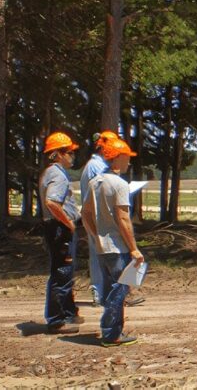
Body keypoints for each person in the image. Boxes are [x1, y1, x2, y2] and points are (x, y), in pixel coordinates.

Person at [81, 137, 143, 346]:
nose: (128, 161)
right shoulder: (119, 184)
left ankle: (112, 331)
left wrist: (94, 234)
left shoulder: (94, 182)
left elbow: (85, 213)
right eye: (126, 157)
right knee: (120, 288)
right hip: (118, 247)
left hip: (101, 246)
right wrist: (134, 249)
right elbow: (123, 218)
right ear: (117, 157)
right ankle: (111, 333)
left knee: (110, 288)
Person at [39, 132, 84, 334]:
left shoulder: (49, 172)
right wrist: (69, 223)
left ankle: (66, 312)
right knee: (62, 272)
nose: (72, 156)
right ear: (58, 154)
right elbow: (51, 202)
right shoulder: (57, 174)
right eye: (69, 152)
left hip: (56, 227)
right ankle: (57, 320)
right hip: (60, 229)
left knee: (62, 270)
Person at [79, 131, 118, 307]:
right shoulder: (97, 167)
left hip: (98, 217)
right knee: (103, 254)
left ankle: (103, 292)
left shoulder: (95, 165)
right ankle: (103, 293)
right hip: (99, 218)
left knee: (101, 254)